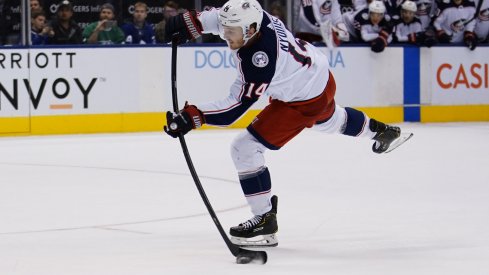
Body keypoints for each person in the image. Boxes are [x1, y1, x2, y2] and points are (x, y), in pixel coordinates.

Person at [163, 0, 410, 247]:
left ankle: (264, 219)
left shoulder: (259, 61)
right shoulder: (255, 19)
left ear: (250, 30)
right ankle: (380, 131)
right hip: (318, 75)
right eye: (226, 28)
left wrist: (193, 116)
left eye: (231, 30)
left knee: (244, 148)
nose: (225, 34)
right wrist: (189, 23)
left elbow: (233, 109)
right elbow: (219, 19)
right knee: (330, 120)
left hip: (303, 98)